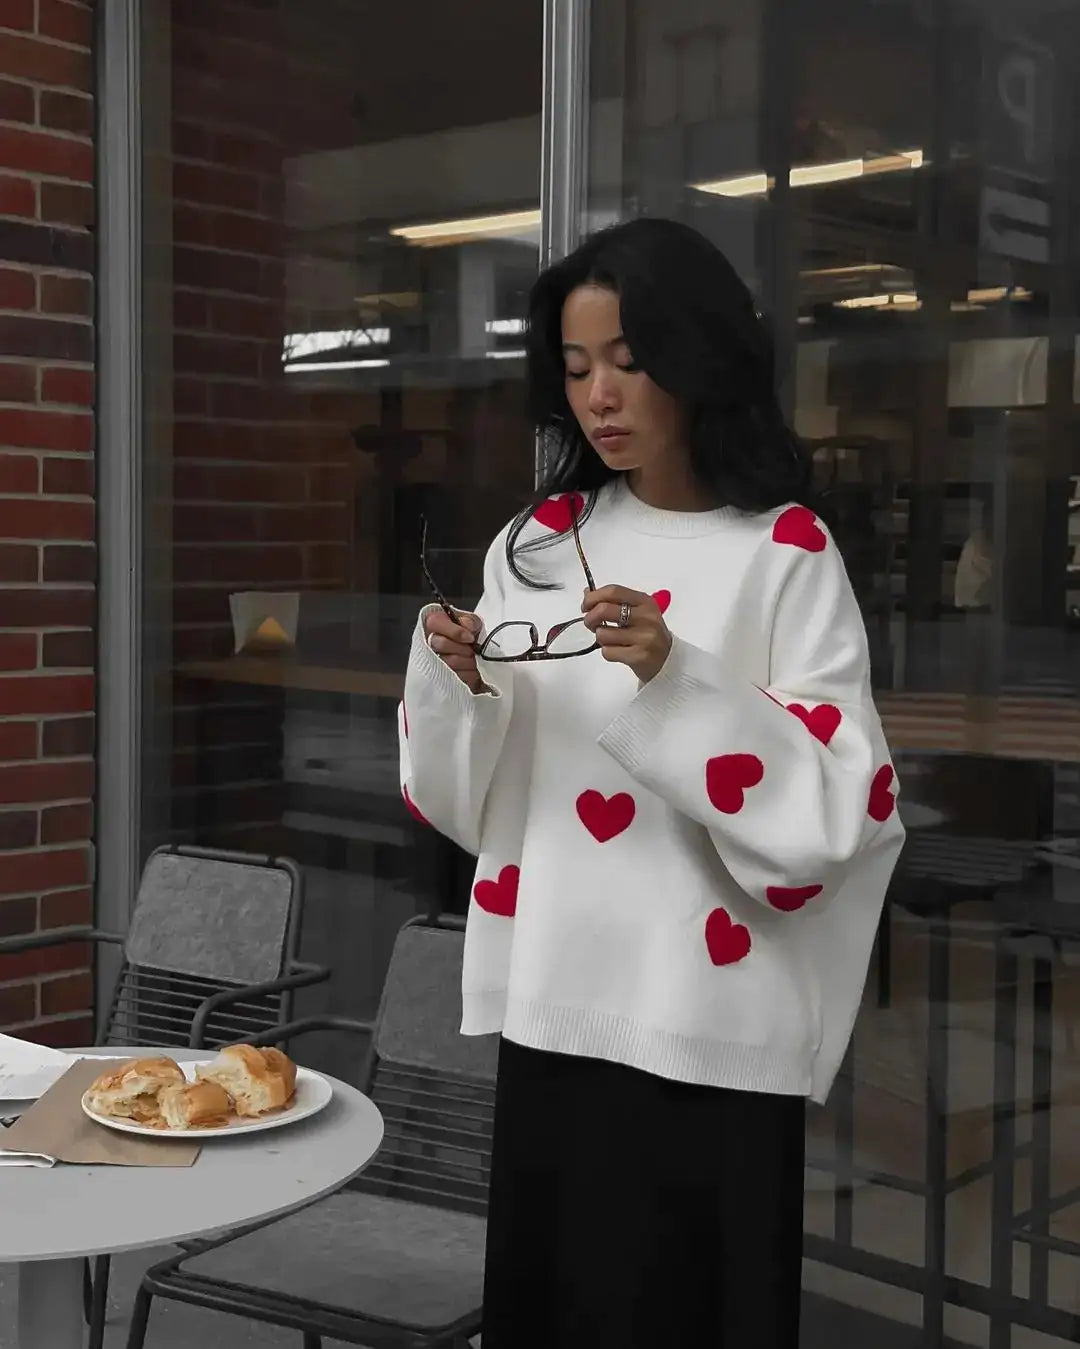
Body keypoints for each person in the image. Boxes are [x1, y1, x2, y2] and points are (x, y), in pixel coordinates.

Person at [399, 217, 905, 1347]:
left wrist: (679, 678)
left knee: (690, 1309)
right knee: (555, 1303)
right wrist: (459, 682)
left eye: (629, 360)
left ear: (699, 354)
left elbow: (843, 802)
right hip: (556, 1002)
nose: (600, 396)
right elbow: (469, 801)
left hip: (707, 1021)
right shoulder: (537, 541)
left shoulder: (785, 550)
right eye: (577, 369)